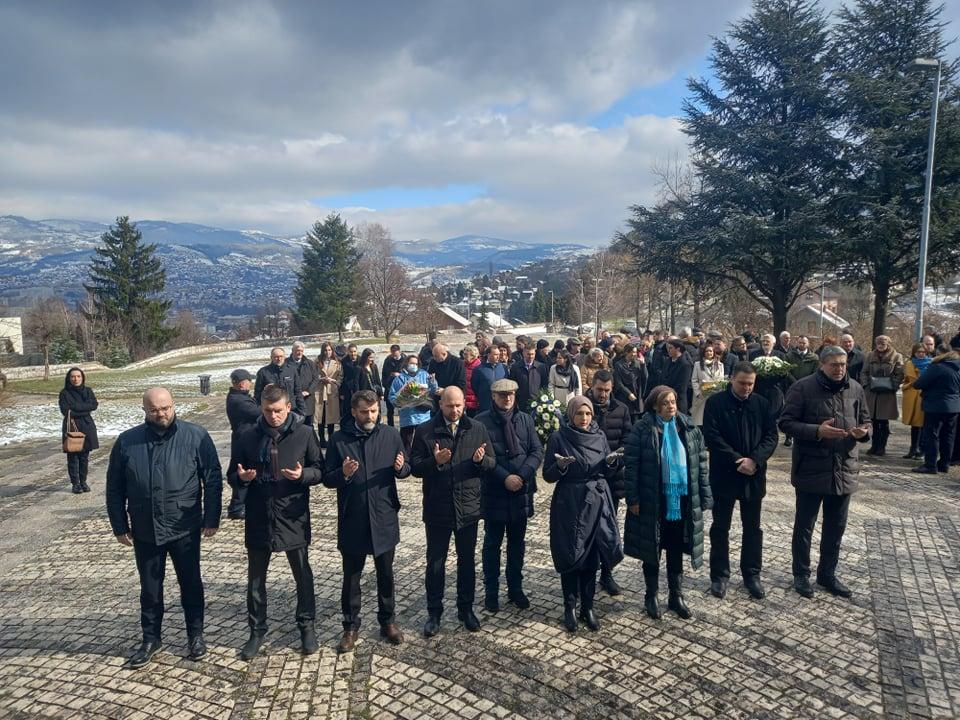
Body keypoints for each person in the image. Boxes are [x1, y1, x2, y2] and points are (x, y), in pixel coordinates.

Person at [106, 387, 222, 668]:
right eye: (154, 410)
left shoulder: (196, 436)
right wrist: (119, 525)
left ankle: (195, 635)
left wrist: (211, 518)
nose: (161, 414)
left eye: (166, 408)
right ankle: (151, 638)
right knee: (149, 589)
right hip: (146, 529)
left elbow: (213, 478)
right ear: (144, 410)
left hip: (185, 526)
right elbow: (114, 487)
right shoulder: (126, 442)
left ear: (174, 405)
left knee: (191, 584)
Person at [229, 384, 324, 660]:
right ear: (261, 408)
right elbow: (231, 475)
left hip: (293, 515)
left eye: (278, 411)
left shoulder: (305, 433)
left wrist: (303, 475)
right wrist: (242, 479)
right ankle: (257, 630)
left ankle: (307, 625)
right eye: (268, 411)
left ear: (288, 408)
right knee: (256, 579)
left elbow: (321, 470)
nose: (274, 416)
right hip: (259, 515)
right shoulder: (246, 435)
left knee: (303, 575)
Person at [780, 347, 870, 599]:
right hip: (811, 467)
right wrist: (817, 431)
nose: (839, 368)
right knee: (805, 526)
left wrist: (864, 432)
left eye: (843, 364)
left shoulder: (855, 388)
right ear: (822, 365)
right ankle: (801, 574)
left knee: (836, 526)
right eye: (834, 364)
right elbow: (785, 423)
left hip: (845, 468)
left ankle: (827, 574)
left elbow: (866, 419)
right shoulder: (802, 388)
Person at [324, 390, 409, 652]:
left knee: (386, 574)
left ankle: (388, 621)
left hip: (384, 516)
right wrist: (344, 474)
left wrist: (400, 469)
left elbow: (405, 469)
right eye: (364, 412)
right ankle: (350, 627)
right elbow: (327, 479)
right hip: (353, 518)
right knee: (352, 577)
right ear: (353, 412)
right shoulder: (339, 439)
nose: (370, 416)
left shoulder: (391, 435)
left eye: (374, 411)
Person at [410, 387, 495, 636]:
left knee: (466, 561)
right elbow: (415, 467)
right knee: (435, 563)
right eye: (450, 406)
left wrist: (481, 461)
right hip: (438, 507)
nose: (455, 410)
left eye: (458, 405)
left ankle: (465, 609)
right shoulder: (426, 431)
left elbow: (491, 463)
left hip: (468, 508)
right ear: (441, 405)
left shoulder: (476, 428)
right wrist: (434, 462)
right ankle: (434, 612)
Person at [624, 386, 711, 620]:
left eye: (673, 402)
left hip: (680, 499)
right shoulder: (643, 429)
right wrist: (632, 498)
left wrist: (703, 495)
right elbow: (631, 466)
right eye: (665, 403)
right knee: (652, 548)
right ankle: (651, 595)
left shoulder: (688, 427)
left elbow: (700, 462)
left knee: (675, 547)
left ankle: (676, 595)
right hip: (654, 498)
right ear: (655, 406)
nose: (671, 406)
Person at [543, 396, 623, 632]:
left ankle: (587, 606)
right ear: (571, 415)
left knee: (591, 555)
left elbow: (606, 470)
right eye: (580, 414)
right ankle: (569, 606)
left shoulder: (599, 436)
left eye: (588, 414)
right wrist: (560, 467)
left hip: (596, 501)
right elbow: (548, 475)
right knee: (571, 554)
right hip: (570, 501)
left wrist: (611, 464)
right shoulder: (559, 438)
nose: (585, 418)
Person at [702, 363, 778, 600]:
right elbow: (711, 436)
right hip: (725, 474)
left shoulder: (761, 403)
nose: (746, 388)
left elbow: (771, 436)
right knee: (720, 527)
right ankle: (719, 575)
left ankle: (751, 574)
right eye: (742, 383)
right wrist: (737, 460)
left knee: (752, 528)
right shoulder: (716, 403)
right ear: (731, 379)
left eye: (750, 384)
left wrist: (754, 460)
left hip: (753, 476)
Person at [476, 378, 543, 612]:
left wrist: (522, 476)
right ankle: (491, 592)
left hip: (520, 493)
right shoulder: (481, 422)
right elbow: (481, 458)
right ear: (493, 397)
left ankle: (515, 588)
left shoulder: (524, 419)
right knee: (492, 544)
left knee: (517, 544)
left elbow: (536, 450)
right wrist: (504, 477)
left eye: (511, 395)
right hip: (495, 491)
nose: (507, 399)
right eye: (503, 395)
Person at [585, 369, 632, 597]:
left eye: (606, 390)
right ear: (591, 387)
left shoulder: (621, 409)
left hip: (612, 479)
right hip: (588, 479)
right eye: (599, 390)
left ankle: (606, 573)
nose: (603, 394)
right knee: (587, 527)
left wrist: (615, 460)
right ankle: (586, 573)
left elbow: (627, 440)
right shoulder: (582, 408)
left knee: (608, 527)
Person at [911, 350, 960, 474]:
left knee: (932, 435)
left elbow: (919, 384)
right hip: (954, 407)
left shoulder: (937, 367)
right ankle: (944, 464)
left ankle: (930, 465)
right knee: (948, 436)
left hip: (935, 405)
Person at [225, 368, 260, 519]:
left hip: (244, 438)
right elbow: (258, 412)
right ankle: (236, 508)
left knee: (243, 471)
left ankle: (241, 504)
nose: (251, 383)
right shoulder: (239, 400)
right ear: (241, 384)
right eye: (249, 381)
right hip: (243, 441)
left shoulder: (240, 396)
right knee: (241, 471)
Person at [861, 335, 904, 457]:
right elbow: (864, 372)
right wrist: (866, 385)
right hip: (872, 393)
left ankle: (882, 447)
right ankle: (873, 445)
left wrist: (892, 386)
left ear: (888, 344)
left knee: (883, 422)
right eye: (878, 344)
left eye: (883, 344)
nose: (880, 346)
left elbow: (899, 374)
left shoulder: (896, 356)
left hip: (887, 394)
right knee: (872, 420)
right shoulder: (870, 356)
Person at [59, 366, 99, 494]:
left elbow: (94, 405)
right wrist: (84, 409)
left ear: (82, 378)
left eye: (78, 376)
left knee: (84, 457)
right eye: (73, 376)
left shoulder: (88, 391)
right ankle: (75, 483)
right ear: (69, 378)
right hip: (72, 426)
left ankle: (83, 481)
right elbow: (65, 410)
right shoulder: (64, 393)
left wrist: (75, 407)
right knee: (73, 457)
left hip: (87, 426)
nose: (75, 379)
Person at [388, 354, 438, 455]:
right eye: (411, 363)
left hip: (423, 415)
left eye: (416, 363)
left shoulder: (424, 375)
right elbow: (392, 396)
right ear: (406, 364)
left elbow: (433, 390)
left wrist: (432, 381)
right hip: (408, 416)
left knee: (425, 441)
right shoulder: (399, 379)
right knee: (406, 442)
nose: (413, 365)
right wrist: (400, 401)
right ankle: (406, 463)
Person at [900, 342, 929, 460]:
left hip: (924, 395)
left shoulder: (930, 363)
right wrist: (907, 386)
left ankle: (921, 450)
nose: (921, 354)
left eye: (923, 352)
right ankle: (913, 449)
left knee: (923, 424)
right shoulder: (909, 364)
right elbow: (906, 379)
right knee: (914, 425)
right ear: (914, 353)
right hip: (912, 395)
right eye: (918, 352)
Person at [254, 347, 304, 415]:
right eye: (276, 357)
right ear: (271, 357)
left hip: (291, 410)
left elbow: (298, 391)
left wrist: (302, 411)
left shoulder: (292, 370)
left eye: (281, 356)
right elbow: (258, 394)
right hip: (273, 412)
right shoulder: (263, 372)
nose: (279, 359)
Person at [286, 341, 320, 430]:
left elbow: (316, 379)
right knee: (294, 425)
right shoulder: (286, 364)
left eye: (301, 350)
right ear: (292, 350)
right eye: (297, 350)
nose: (299, 352)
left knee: (309, 425)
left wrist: (308, 391)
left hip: (308, 400)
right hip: (293, 400)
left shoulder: (309, 363)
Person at [690, 344, 725, 427]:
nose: (709, 353)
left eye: (711, 351)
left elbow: (722, 380)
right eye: (707, 351)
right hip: (702, 396)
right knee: (701, 420)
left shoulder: (720, 365)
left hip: (715, 394)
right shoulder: (698, 364)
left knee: (714, 419)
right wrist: (698, 393)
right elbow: (694, 380)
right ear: (704, 353)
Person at [316, 342, 343, 446]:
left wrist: (334, 381)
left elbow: (340, 376)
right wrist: (321, 379)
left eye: (329, 350)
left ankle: (331, 438)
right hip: (320, 390)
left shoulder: (337, 362)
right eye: (326, 350)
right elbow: (314, 374)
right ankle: (322, 439)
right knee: (320, 416)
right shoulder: (317, 362)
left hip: (332, 390)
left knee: (331, 416)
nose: (327, 352)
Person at [508, 345, 549, 410]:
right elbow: (512, 385)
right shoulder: (515, 367)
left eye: (532, 354)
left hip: (537, 403)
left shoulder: (541, 367)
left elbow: (545, 385)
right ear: (523, 354)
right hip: (521, 403)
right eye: (528, 354)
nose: (530, 356)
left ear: (535, 354)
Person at [612, 344, 647, 420]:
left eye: (635, 352)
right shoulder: (619, 365)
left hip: (636, 395)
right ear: (626, 352)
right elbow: (618, 383)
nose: (634, 354)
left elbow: (645, 377)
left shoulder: (637, 364)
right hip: (624, 396)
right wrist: (628, 393)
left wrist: (643, 364)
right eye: (632, 352)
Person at [428, 343, 466, 410]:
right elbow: (429, 375)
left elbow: (461, 384)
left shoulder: (457, 363)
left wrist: (445, 391)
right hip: (437, 400)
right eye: (433, 356)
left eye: (436, 356)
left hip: (452, 400)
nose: (434, 358)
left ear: (444, 354)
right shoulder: (433, 362)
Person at [661, 339, 694, 414]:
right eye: (667, 348)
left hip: (677, 402)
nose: (668, 350)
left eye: (670, 348)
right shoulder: (667, 361)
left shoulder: (685, 365)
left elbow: (681, 387)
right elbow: (662, 378)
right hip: (664, 399)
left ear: (678, 349)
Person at [472, 345, 507, 414]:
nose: (498, 357)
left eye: (498, 355)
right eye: (495, 354)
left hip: (501, 404)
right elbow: (475, 386)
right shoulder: (479, 369)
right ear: (489, 355)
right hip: (485, 404)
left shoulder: (504, 368)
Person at [381, 344, 405, 427]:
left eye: (396, 354)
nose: (394, 356)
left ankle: (403, 426)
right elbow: (384, 374)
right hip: (390, 388)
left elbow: (410, 374)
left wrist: (399, 375)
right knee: (390, 411)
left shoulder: (405, 360)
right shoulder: (388, 360)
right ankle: (390, 427)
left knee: (402, 410)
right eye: (392, 354)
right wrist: (385, 384)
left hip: (402, 389)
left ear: (400, 352)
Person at [340, 344, 360, 419]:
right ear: (348, 352)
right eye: (351, 352)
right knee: (347, 410)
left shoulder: (361, 361)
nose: (353, 353)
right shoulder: (344, 362)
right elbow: (341, 377)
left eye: (354, 351)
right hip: (347, 389)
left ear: (357, 351)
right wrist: (341, 392)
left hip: (359, 388)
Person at [462, 345, 482, 417]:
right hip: (463, 400)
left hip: (475, 401)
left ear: (473, 356)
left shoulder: (479, 367)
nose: (464, 356)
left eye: (466, 354)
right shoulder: (461, 365)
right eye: (464, 354)